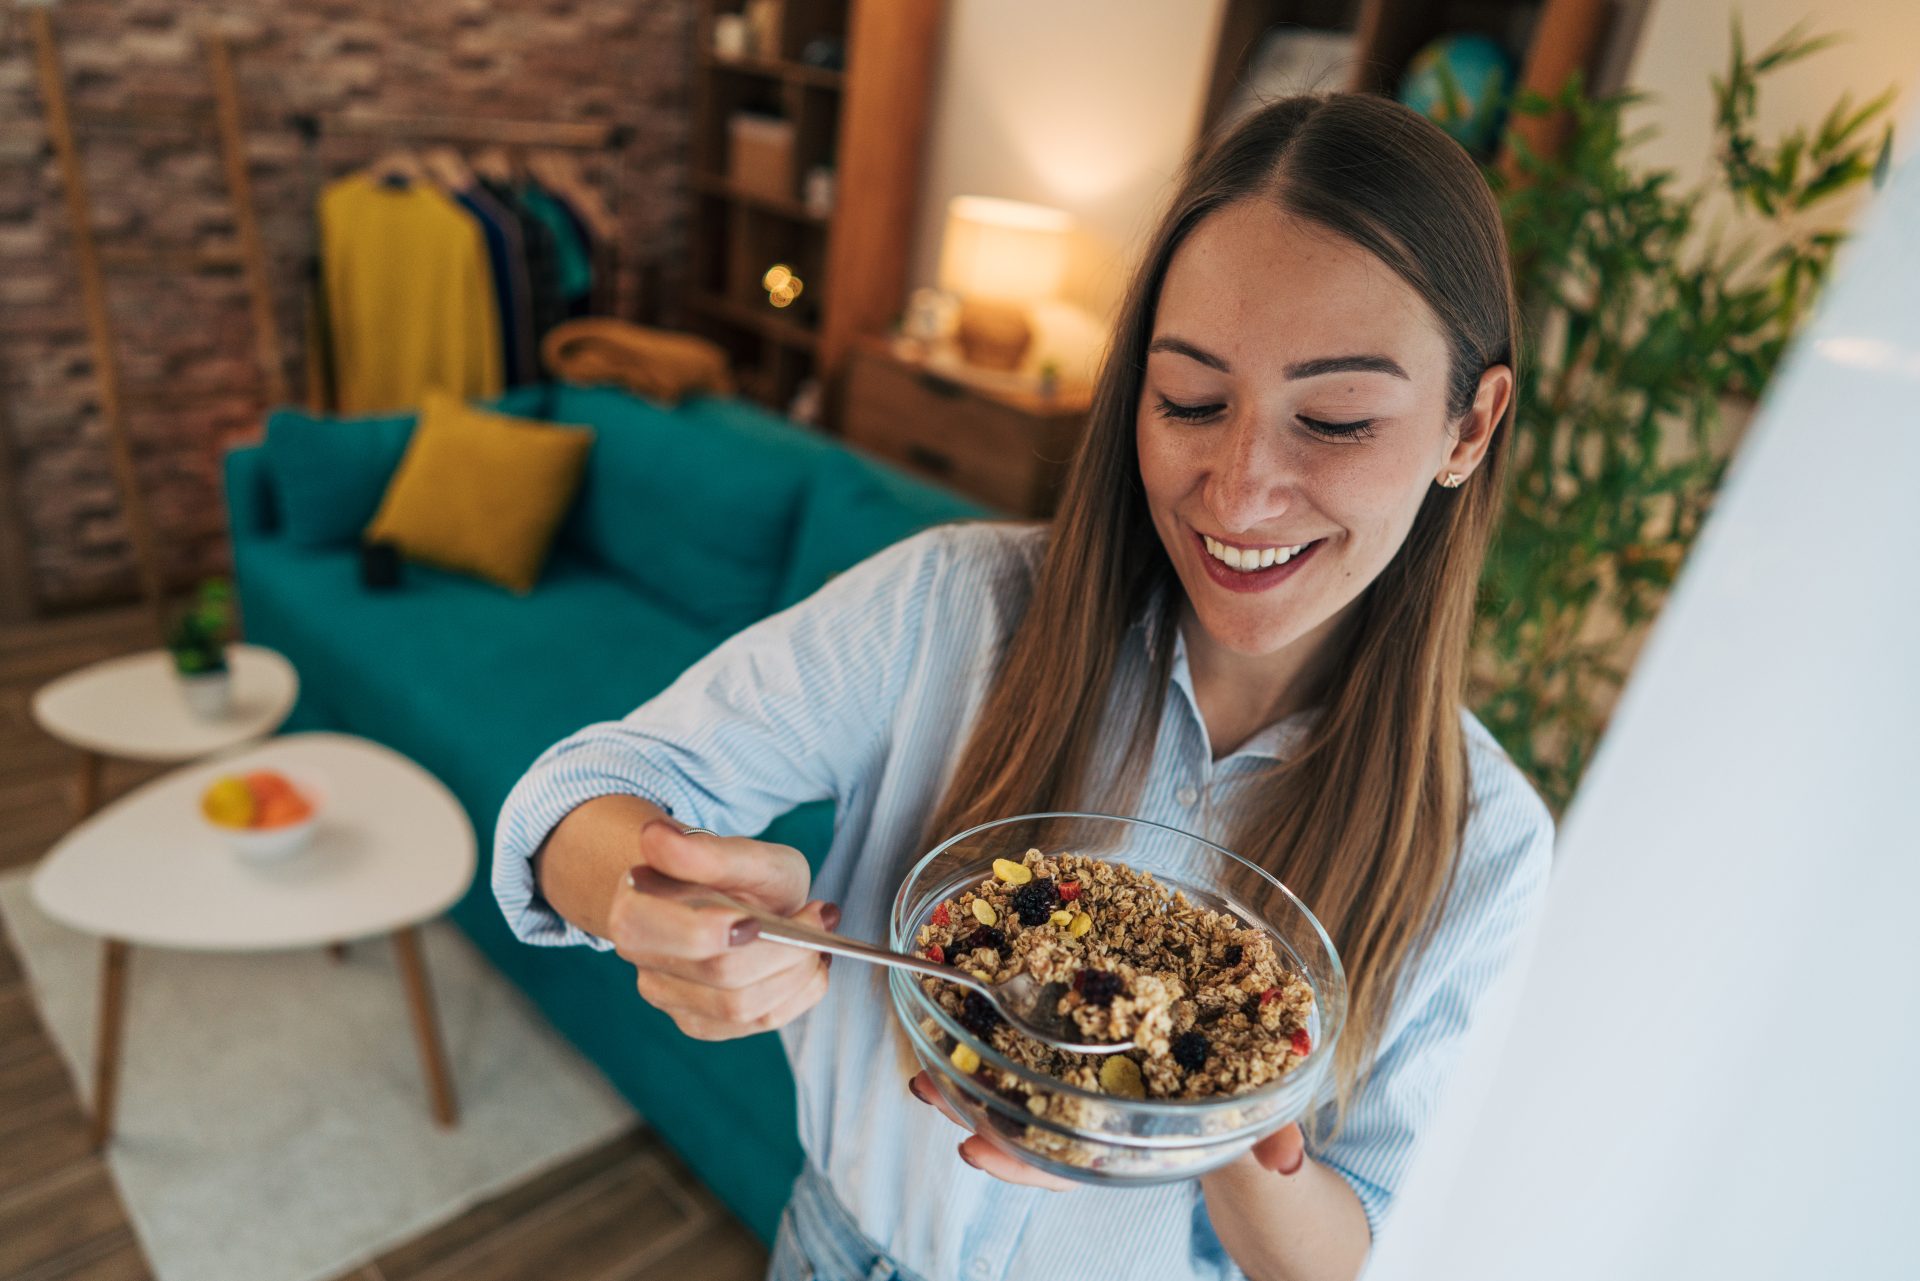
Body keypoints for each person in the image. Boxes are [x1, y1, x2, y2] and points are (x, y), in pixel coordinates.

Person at [492, 91, 1554, 1281]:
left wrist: (1199, 1098)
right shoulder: (953, 607)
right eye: (1190, 402)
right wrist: (646, 899)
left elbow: (1355, 1252)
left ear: (1470, 427)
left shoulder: (1488, 844)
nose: (1241, 488)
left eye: (1336, 419)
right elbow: (579, 793)